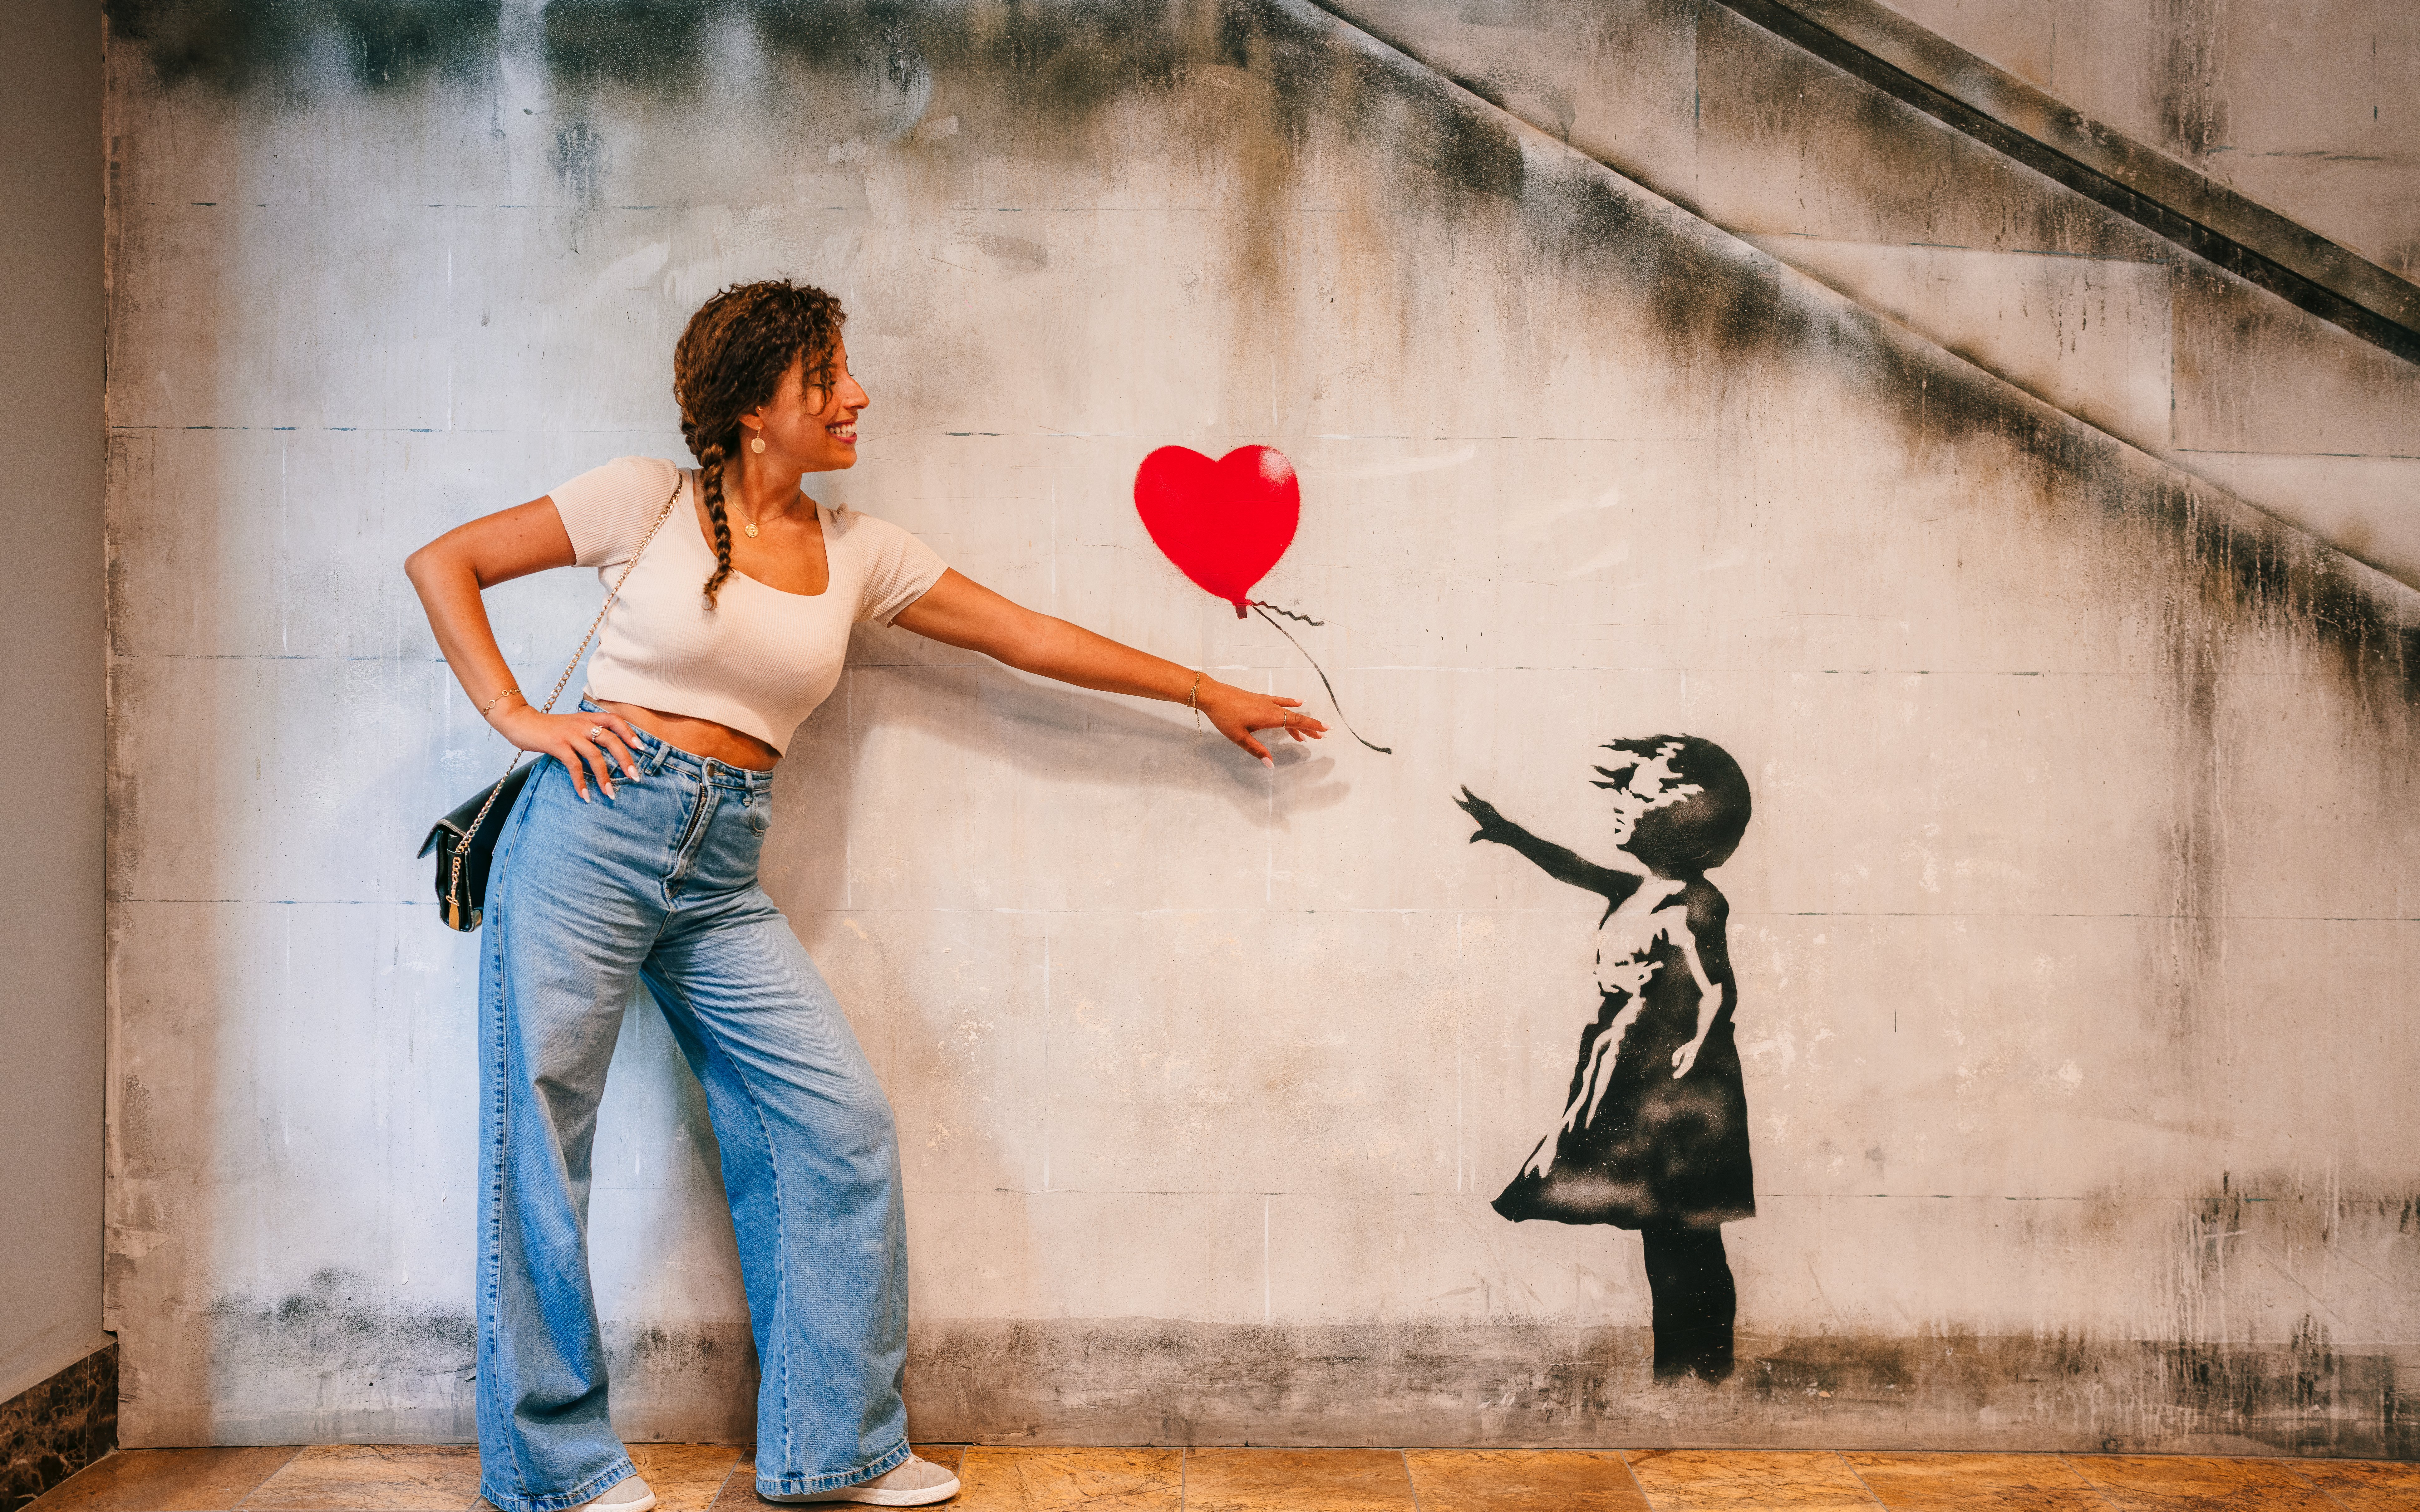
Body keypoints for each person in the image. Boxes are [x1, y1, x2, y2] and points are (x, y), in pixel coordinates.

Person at [404, 279, 1325, 1511]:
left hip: (724, 866)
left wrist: (1203, 685)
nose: (857, 396)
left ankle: (834, 1443)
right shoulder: (646, 498)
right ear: (751, 409)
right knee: (542, 1137)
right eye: (826, 377)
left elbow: (1028, 635)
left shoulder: (860, 551)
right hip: (591, 829)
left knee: (837, 1122)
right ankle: (550, 1465)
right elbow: (446, 560)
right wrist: (520, 716)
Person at [1453, 736, 1753, 1382]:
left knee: (1688, 1233)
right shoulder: (1634, 890)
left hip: (1676, 1086)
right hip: (1631, 1070)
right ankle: (1683, 1371)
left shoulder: (1693, 901)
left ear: (1683, 812)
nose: (1619, 805)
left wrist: (1698, 1044)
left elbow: (1717, 986)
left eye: (1635, 795)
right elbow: (1568, 865)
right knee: (1666, 1235)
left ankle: (1706, 1369)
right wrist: (1508, 832)